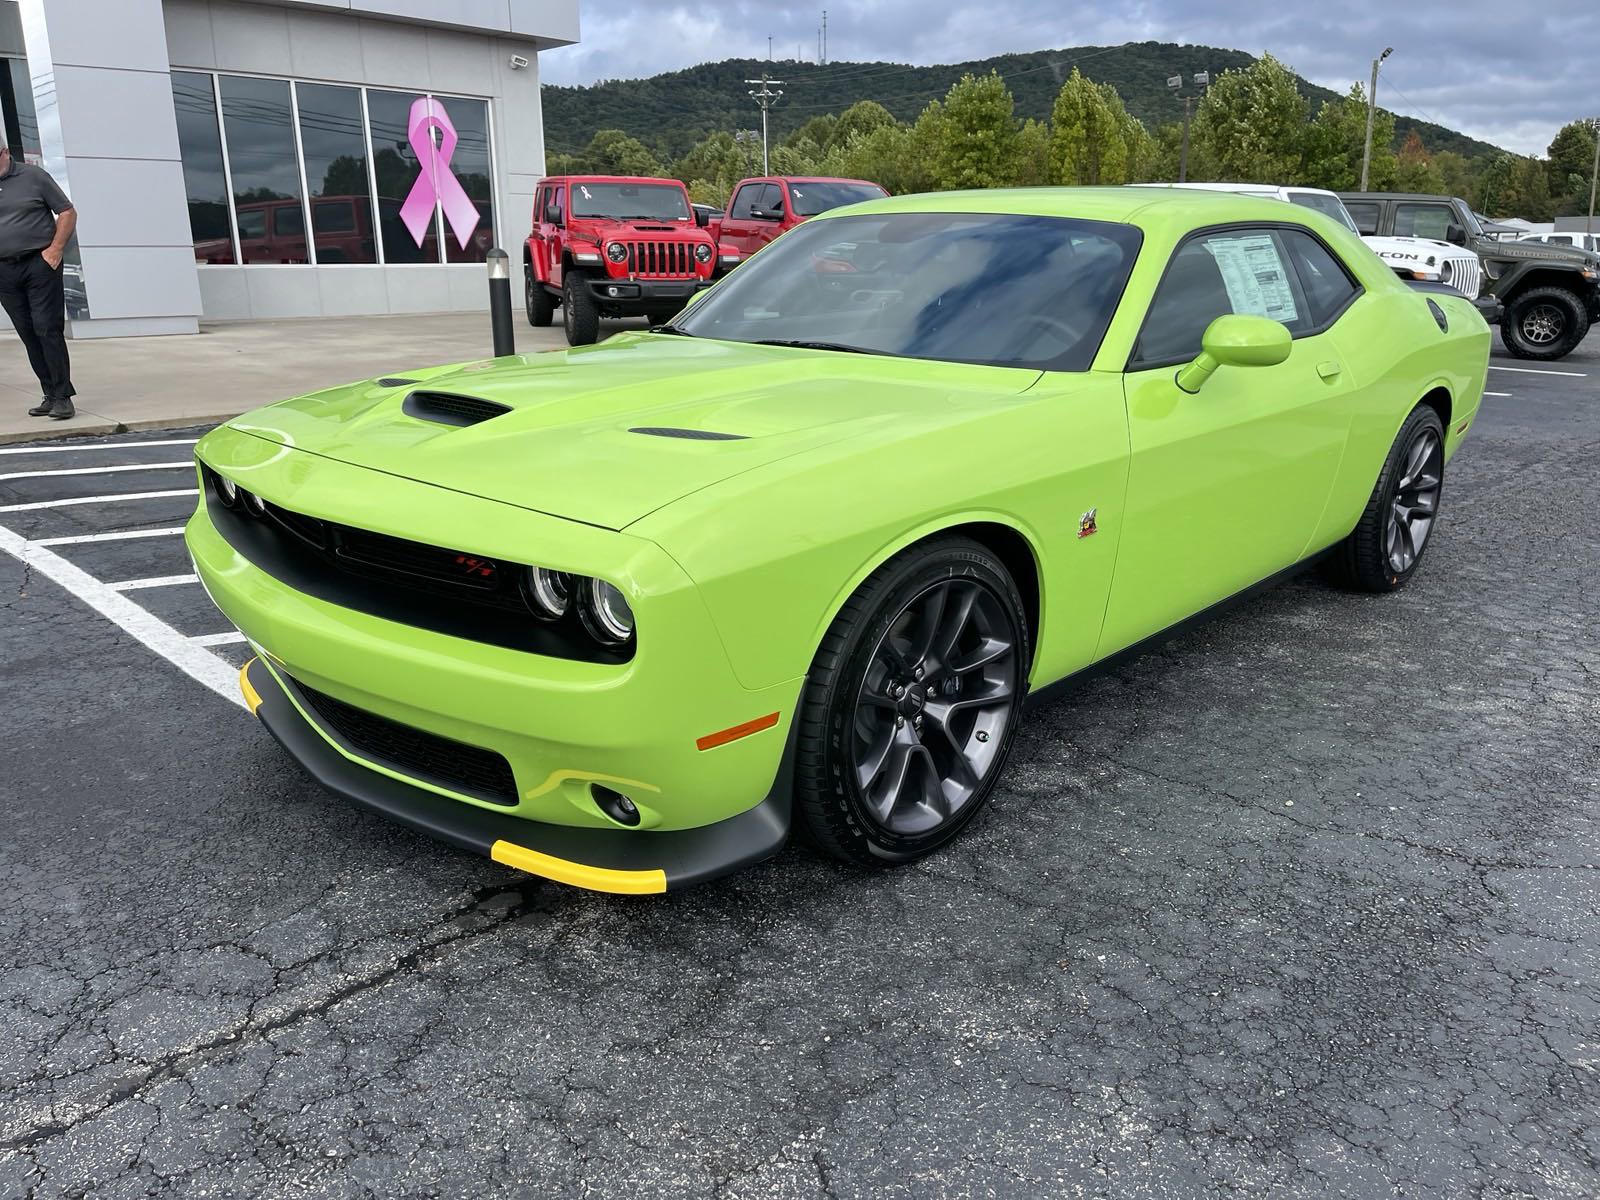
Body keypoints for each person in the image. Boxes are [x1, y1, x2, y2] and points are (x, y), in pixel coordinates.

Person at [0, 144, 77, 420]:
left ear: (5, 152)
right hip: (4, 270)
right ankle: (49, 394)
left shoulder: (34, 177)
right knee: (27, 332)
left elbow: (67, 212)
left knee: (46, 327)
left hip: (39, 263)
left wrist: (55, 250)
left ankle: (63, 397)